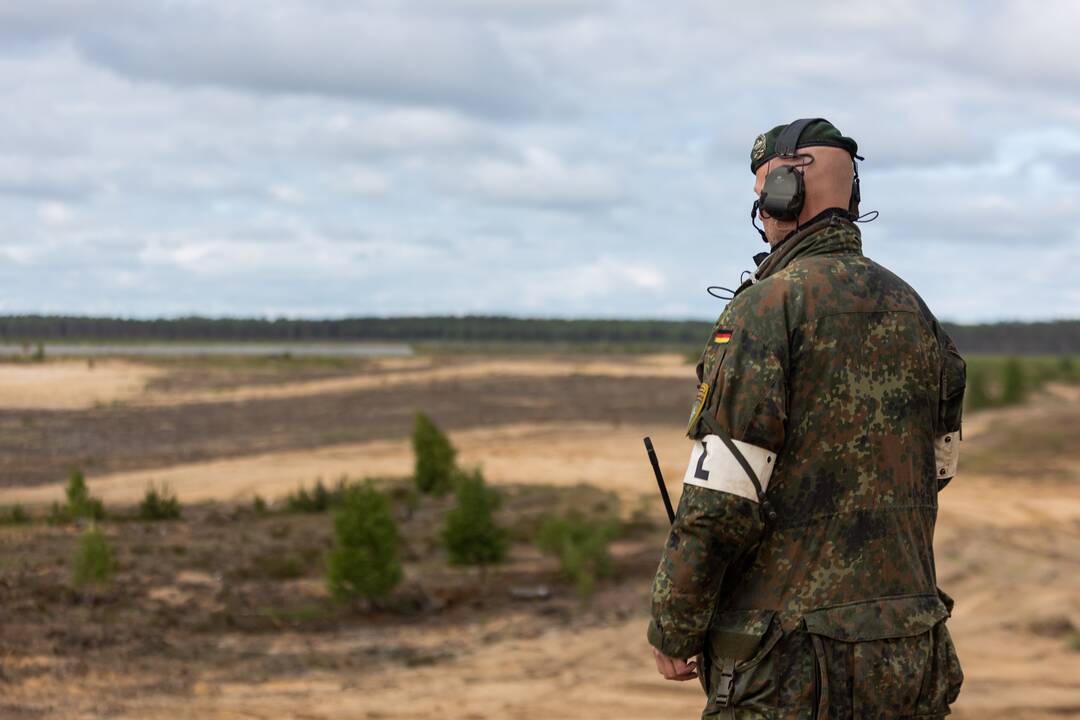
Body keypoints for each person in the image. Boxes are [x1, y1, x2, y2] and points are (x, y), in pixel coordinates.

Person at [647, 118, 966, 718]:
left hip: (789, 664)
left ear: (783, 192)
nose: (762, 214)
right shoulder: (916, 310)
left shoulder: (765, 309)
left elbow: (722, 499)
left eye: (762, 197)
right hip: (910, 652)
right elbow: (938, 467)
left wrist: (675, 622)